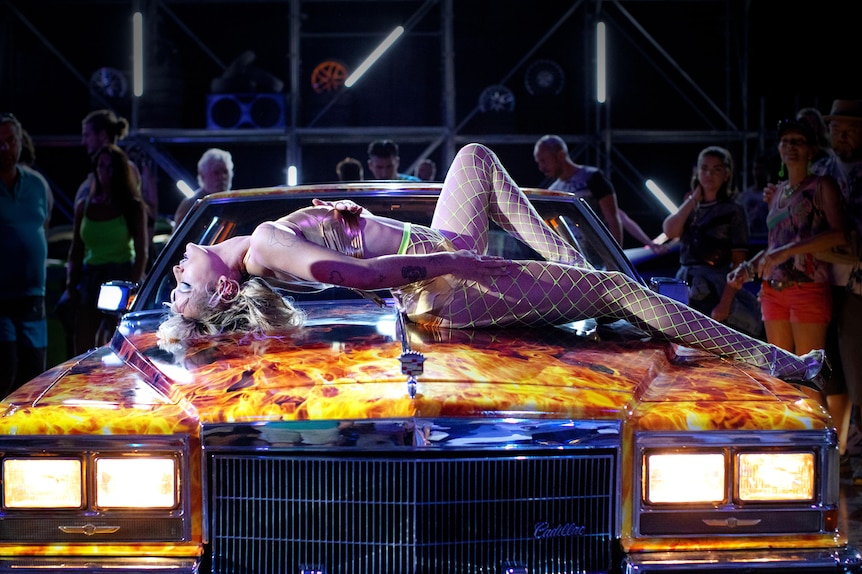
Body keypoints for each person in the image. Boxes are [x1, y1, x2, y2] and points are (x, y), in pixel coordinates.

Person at [158, 143, 823, 384]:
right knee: (619, 288)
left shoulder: (268, 243)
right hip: (444, 289)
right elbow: (360, 278)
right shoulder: (269, 244)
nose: (178, 268)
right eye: (183, 288)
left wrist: (350, 221)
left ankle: (565, 258)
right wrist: (459, 258)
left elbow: (356, 259)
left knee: (474, 157)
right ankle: (774, 360)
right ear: (220, 284)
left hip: (434, 268)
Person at [729, 119, 846, 406]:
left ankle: (819, 444)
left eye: (798, 142)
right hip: (773, 289)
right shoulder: (779, 191)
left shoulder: (822, 186)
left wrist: (788, 251)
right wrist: (749, 267)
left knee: (807, 373)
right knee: (779, 373)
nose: (791, 147)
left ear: (812, 149)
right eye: (786, 141)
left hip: (808, 287)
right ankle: (786, 441)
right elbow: (775, 244)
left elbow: (839, 233)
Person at [811, 99, 862, 475]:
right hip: (821, 285)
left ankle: (855, 455)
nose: (842, 134)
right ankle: (840, 451)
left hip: (856, 287)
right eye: (836, 127)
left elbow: (852, 241)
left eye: (850, 127)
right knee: (830, 374)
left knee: (857, 373)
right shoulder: (820, 171)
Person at [662, 146, 762, 337]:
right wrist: (693, 199)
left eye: (716, 169)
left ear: (727, 174)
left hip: (715, 286)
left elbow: (738, 261)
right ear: (697, 171)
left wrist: (725, 303)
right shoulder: (691, 206)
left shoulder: (733, 210)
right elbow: (669, 230)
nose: (709, 174)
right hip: (685, 284)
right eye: (704, 168)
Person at [65, 144, 148, 355]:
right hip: (89, 275)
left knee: (116, 342)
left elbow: (142, 251)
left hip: (119, 275)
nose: (105, 172)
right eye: (101, 166)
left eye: (110, 167)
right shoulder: (84, 205)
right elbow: (76, 248)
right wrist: (71, 284)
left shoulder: (132, 206)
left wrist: (133, 288)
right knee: (82, 341)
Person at [0, 113, 53, 398]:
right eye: (0, 142)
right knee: (4, 367)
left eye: (11, 140)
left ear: (20, 141)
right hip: (0, 298)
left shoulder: (36, 184)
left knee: (34, 371)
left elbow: (43, 226)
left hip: (33, 293)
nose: (5, 148)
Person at [533, 135, 623, 244]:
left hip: (600, 253)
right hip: (575, 256)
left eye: (544, 160)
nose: (541, 168)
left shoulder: (592, 177)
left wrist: (614, 257)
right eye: (539, 162)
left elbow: (612, 218)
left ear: (560, 155)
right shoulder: (552, 191)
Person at [174, 148, 234, 225]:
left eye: (225, 172)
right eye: (216, 172)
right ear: (203, 176)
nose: (222, 177)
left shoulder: (233, 201)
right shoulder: (191, 204)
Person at [735, 154, 771, 243]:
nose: (758, 172)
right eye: (756, 169)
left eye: (761, 169)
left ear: (767, 171)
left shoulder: (773, 194)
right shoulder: (744, 196)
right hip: (748, 240)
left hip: (767, 240)